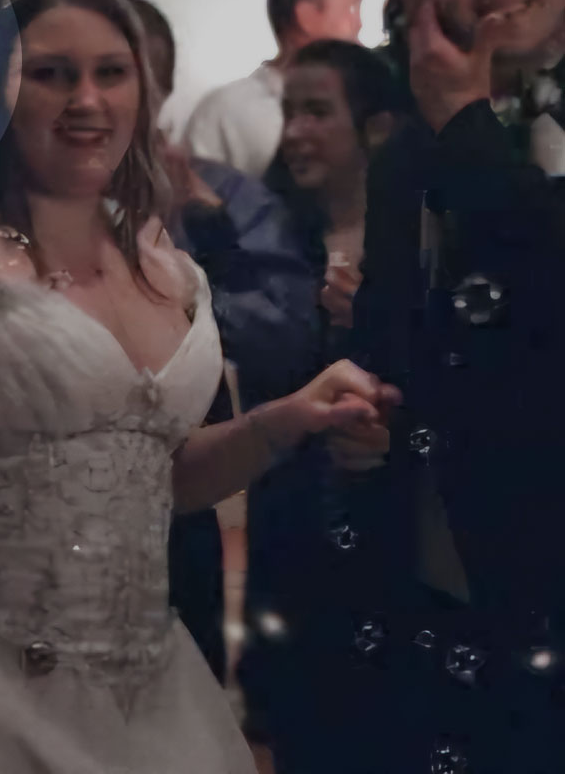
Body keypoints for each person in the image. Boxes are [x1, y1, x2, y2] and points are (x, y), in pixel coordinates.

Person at [0, 0, 396, 773]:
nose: (87, 101)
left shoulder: (165, 261)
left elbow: (159, 479)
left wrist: (287, 418)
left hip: (139, 686)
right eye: (50, 75)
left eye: (111, 73)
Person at [339, 0, 565, 772]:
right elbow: (403, 338)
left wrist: (470, 127)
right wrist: (363, 410)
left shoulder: (459, 133)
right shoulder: (408, 156)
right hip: (446, 570)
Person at [121, 0, 321, 683]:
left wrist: (206, 233)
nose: (92, 99)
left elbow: (287, 333)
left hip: (184, 504)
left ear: (162, 86)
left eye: (120, 73)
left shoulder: (227, 196)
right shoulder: (10, 212)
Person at [237, 42, 404, 768]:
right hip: (292, 518)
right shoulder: (273, 242)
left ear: (374, 127)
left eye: (316, 111)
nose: (296, 130)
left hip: (395, 521)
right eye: (289, 112)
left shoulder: (424, 237)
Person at [183, 0, 364, 177]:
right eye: (350, 9)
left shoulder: (364, 102)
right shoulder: (225, 111)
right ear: (306, 16)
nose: (359, 23)